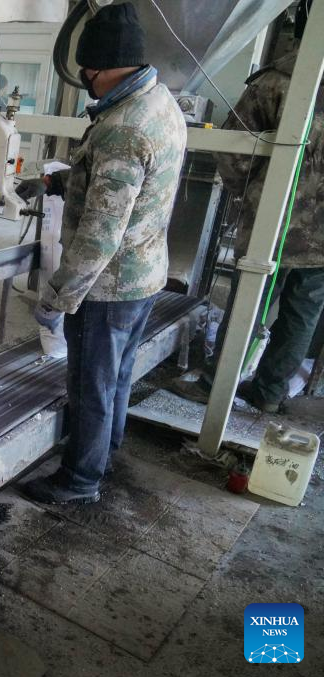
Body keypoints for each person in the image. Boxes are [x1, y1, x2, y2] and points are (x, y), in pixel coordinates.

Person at [20, 2, 187, 505]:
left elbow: (99, 233)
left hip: (108, 286)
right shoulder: (158, 101)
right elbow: (123, 185)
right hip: (144, 274)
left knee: (90, 383)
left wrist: (57, 297)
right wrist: (58, 182)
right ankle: (104, 450)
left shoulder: (122, 127)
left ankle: (80, 479)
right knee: (115, 375)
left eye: (88, 72)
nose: (86, 81)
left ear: (103, 67)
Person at [170, 0, 323, 414]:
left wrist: (249, 191)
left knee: (248, 306)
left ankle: (217, 383)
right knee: (302, 314)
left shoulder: (276, 82)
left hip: (274, 223)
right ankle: (269, 393)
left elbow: (234, 150)